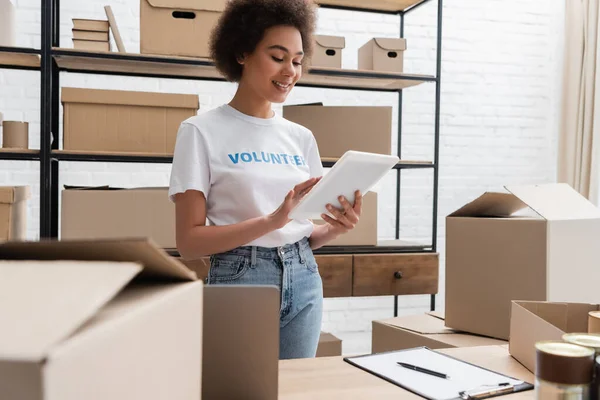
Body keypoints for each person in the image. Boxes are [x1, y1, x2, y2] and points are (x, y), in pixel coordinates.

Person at [168, 0, 362, 360]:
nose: (290, 70)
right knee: (238, 390)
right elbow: (189, 242)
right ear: (242, 52)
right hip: (240, 278)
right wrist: (272, 220)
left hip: (304, 276)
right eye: (277, 56)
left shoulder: (301, 137)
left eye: (298, 61)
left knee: (293, 392)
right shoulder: (200, 131)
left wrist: (335, 229)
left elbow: (297, 232)